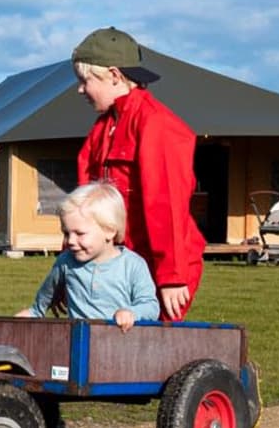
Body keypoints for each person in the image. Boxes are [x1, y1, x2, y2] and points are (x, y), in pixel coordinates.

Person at [72, 26, 205, 320]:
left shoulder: (157, 125)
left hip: (157, 267)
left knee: (146, 350)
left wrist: (171, 277)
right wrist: (70, 265)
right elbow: (83, 206)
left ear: (115, 76)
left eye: (85, 80)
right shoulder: (103, 129)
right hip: (114, 265)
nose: (80, 89)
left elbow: (166, 204)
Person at [18, 182, 158, 330]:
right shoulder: (65, 262)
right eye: (66, 233)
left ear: (109, 231)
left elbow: (150, 306)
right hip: (79, 345)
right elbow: (45, 296)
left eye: (79, 233)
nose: (70, 241)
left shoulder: (132, 265)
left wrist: (131, 313)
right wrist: (33, 313)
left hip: (119, 345)